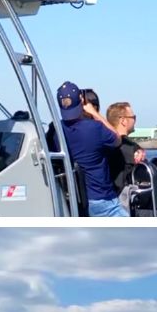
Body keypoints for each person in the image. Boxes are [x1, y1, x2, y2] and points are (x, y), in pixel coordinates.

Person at [55, 81, 128, 217]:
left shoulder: (56, 130)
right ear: (81, 99)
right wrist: (93, 112)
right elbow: (117, 139)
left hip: (75, 200)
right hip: (102, 200)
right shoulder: (95, 128)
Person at [105, 101, 146, 201]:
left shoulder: (103, 145)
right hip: (123, 200)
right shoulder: (132, 148)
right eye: (133, 117)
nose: (135, 121)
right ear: (123, 121)